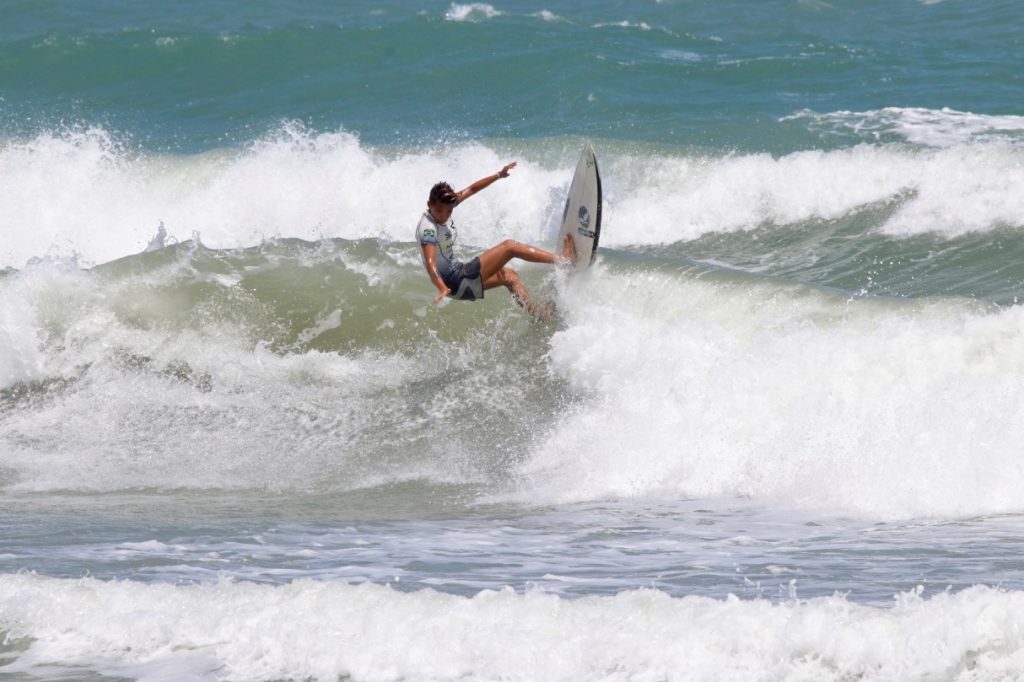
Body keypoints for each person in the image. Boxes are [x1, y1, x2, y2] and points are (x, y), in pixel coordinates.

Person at [415, 162, 575, 318]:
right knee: (510, 247)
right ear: (429, 204)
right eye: (439, 211)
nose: (443, 216)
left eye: (448, 211)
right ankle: (563, 260)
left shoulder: (447, 202)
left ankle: (539, 315)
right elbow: (430, 263)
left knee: (509, 276)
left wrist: (499, 175)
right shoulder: (428, 228)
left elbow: (472, 189)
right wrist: (441, 287)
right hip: (456, 281)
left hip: (458, 282)